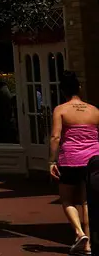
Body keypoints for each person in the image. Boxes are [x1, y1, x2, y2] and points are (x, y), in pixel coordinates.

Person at [49, 71, 99, 254]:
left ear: (62, 91)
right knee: (88, 202)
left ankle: (79, 233)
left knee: (67, 199)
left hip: (70, 159)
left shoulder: (61, 110)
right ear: (79, 88)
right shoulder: (94, 110)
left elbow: (55, 136)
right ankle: (88, 246)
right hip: (94, 160)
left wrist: (51, 160)